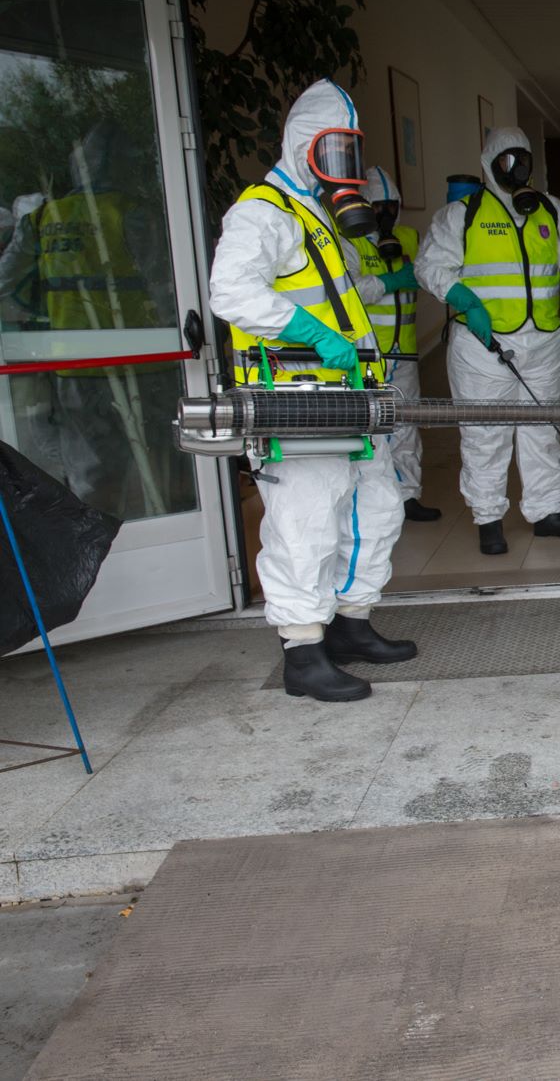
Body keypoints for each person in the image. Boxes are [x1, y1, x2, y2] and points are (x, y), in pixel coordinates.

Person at [207, 79, 417, 702]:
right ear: (305, 146)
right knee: (305, 523)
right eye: (335, 152)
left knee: (375, 507)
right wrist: (309, 333)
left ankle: (351, 623)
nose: (343, 170)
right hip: (296, 395)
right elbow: (232, 293)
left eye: (350, 153)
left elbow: (342, 290)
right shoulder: (261, 211)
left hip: (349, 393)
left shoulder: (315, 216)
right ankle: (303, 648)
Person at [416, 126, 560, 556]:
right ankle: (488, 518)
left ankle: (547, 511)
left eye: (523, 159)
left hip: (546, 341)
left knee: (544, 428)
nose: (516, 168)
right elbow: (429, 266)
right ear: (489, 163)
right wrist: (462, 298)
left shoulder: (548, 211)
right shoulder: (464, 213)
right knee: (485, 431)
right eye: (507, 160)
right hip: (483, 344)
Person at [0, 122, 191, 521]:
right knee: (159, 458)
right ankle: (157, 529)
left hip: (75, 368)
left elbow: (8, 283)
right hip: (143, 364)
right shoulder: (133, 214)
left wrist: (34, 316)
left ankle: (100, 540)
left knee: (92, 472)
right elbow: (165, 286)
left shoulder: (41, 219)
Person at [355, 166, 438, 522]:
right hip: (365, 353)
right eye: (378, 205)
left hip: (404, 351)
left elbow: (431, 272)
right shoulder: (350, 241)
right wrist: (390, 281)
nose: (386, 213)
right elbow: (349, 292)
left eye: (391, 205)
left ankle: (408, 497)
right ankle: (371, 500)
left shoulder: (409, 236)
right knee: (369, 428)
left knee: (405, 426)